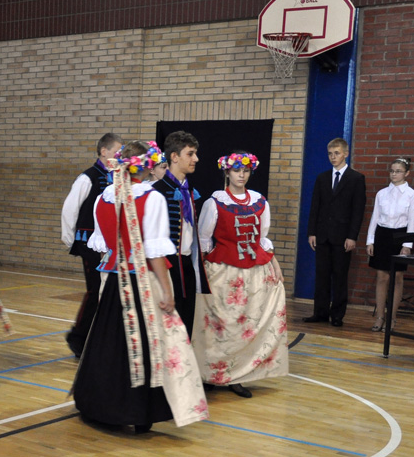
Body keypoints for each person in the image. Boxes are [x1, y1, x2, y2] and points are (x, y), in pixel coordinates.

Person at [72, 140, 208, 433]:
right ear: (146, 166)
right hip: (142, 281)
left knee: (109, 342)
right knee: (149, 343)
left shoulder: (104, 197)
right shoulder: (152, 198)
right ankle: (138, 410)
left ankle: (99, 404)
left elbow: (104, 246)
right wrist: (167, 292)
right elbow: (154, 253)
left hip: (113, 283)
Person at [193, 152, 289, 398]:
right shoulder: (215, 202)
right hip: (223, 272)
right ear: (227, 172)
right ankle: (211, 373)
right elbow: (204, 239)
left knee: (246, 324)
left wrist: (275, 264)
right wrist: (201, 271)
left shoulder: (259, 201)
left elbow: (262, 238)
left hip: (254, 271)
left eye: (245, 171)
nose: (241, 175)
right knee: (220, 325)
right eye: (236, 170)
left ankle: (237, 375)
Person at [60, 133, 122, 358]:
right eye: (117, 152)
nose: (120, 156)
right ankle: (78, 337)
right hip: (89, 243)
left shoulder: (118, 177)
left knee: (106, 291)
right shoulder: (88, 177)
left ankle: (98, 339)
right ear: (104, 151)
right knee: (95, 289)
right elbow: (70, 208)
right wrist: (71, 238)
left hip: (110, 245)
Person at [306, 137, 366, 327]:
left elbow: (358, 211)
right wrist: (312, 232)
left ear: (345, 154)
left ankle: (338, 315)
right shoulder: (322, 178)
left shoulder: (356, 179)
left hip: (342, 236)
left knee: (340, 276)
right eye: (330, 154)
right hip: (323, 234)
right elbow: (315, 206)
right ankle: (320, 312)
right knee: (322, 275)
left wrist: (352, 236)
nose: (333, 157)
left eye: (337, 153)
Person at [153, 131, 203, 334]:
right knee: (167, 325)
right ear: (174, 157)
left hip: (186, 265)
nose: (196, 159)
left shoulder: (189, 190)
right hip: (166, 266)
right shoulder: (156, 191)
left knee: (186, 322)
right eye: (190, 154)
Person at [366, 158, 414, 332]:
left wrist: (407, 244)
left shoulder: (412, 195)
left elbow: (413, 221)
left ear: (407, 173)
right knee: (382, 277)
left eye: (398, 171)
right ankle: (380, 316)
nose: (394, 174)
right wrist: (370, 240)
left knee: (397, 277)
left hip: (400, 236)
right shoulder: (382, 193)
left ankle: (392, 317)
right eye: (392, 171)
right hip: (382, 235)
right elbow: (375, 218)